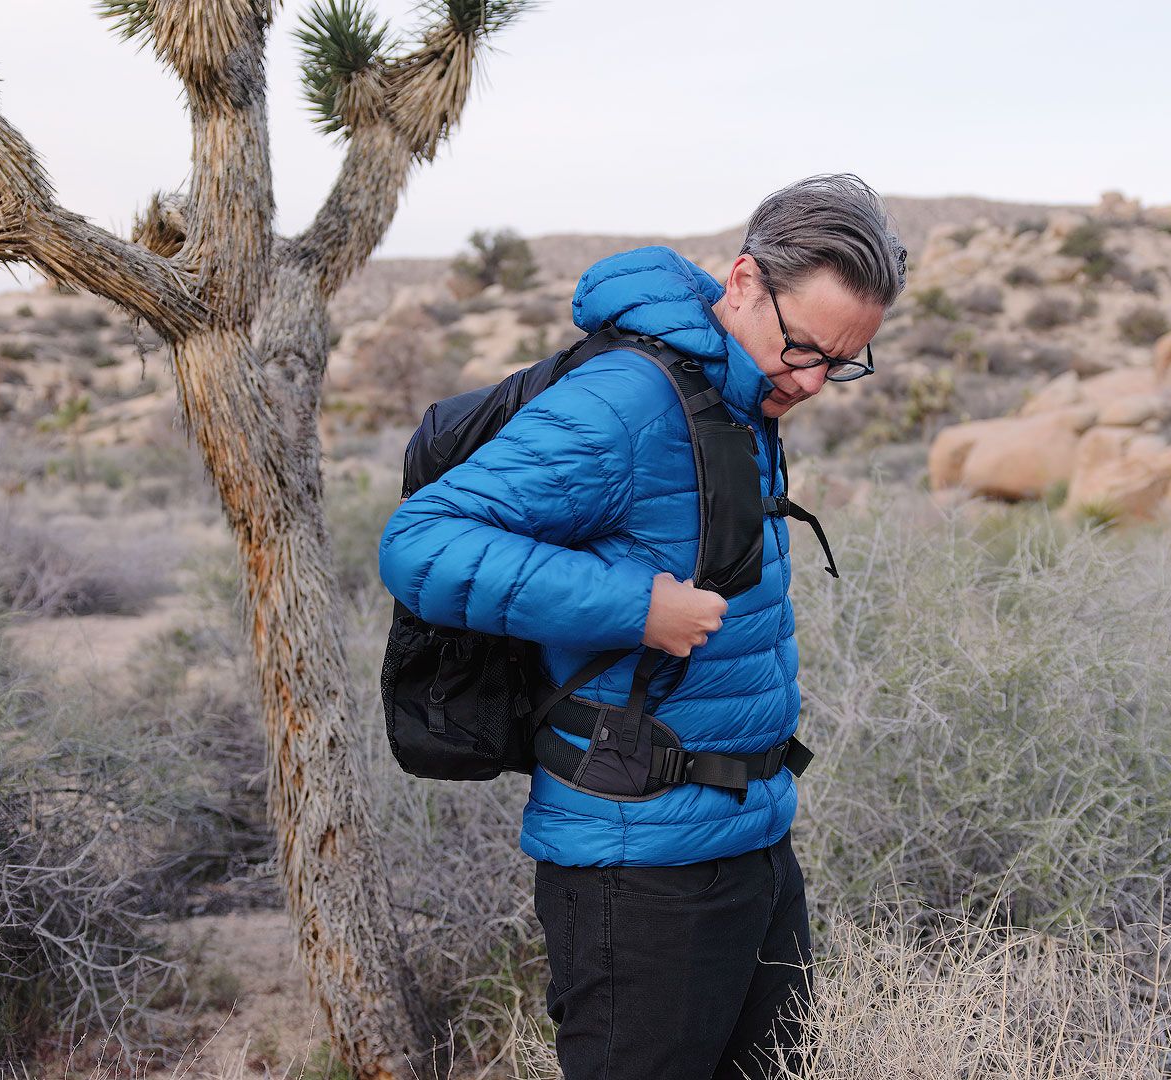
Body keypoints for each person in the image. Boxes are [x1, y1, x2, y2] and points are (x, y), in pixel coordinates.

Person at [378, 174, 905, 1079]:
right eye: (805, 347)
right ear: (742, 281)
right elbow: (421, 542)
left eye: (842, 362)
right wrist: (637, 608)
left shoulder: (739, 396)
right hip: (642, 871)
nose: (814, 380)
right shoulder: (628, 402)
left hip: (750, 843)